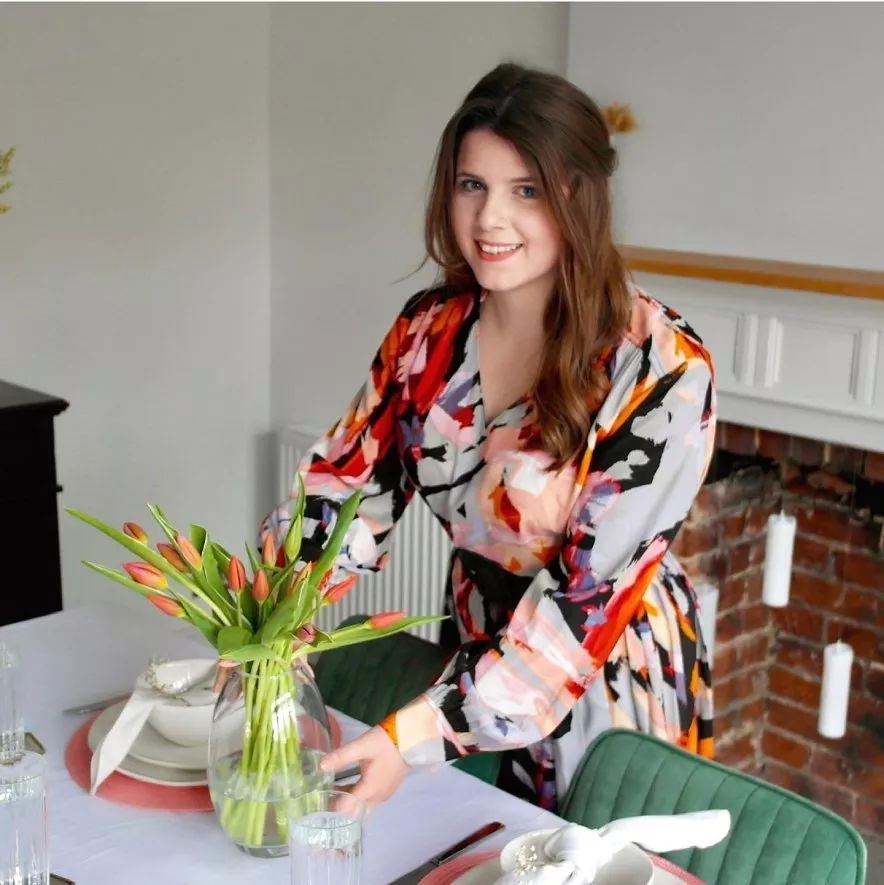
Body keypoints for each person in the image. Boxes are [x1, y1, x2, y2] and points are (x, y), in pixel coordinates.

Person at [259, 62, 716, 814]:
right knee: (464, 848)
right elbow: (347, 487)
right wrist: (273, 616)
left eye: (525, 190)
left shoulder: (659, 365)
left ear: (581, 196)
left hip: (604, 670)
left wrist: (416, 732)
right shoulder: (428, 332)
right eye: (472, 185)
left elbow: (581, 604)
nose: (488, 220)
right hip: (470, 642)